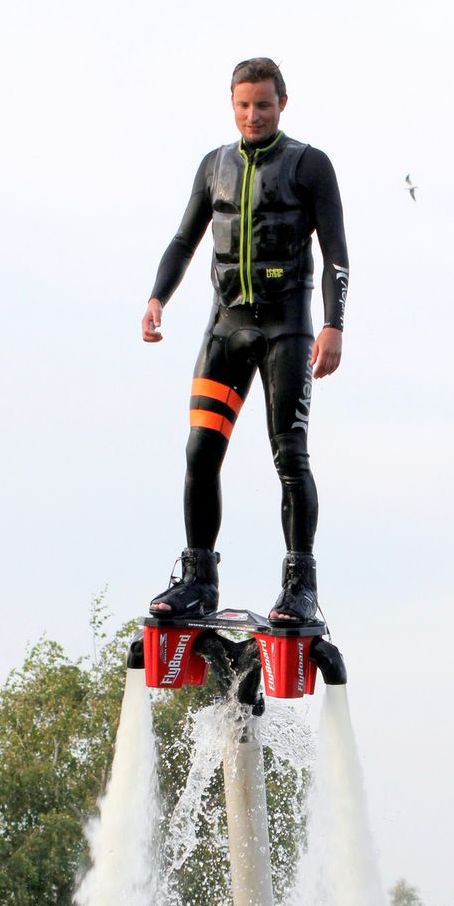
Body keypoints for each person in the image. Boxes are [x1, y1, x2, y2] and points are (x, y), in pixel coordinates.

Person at [142, 57, 349, 624]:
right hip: (225, 329)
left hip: (286, 330)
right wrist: (158, 297)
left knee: (290, 455)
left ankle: (299, 586)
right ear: (231, 105)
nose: (253, 115)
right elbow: (184, 240)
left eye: (263, 104)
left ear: (282, 103)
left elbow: (336, 252)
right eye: (243, 105)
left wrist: (333, 324)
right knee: (200, 452)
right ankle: (198, 580)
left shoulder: (309, 165)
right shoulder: (214, 166)